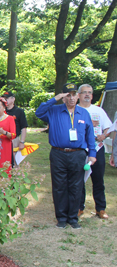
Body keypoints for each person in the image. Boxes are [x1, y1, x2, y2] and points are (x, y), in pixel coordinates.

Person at [35, 83, 96, 230]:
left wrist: (92, 154)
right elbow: (39, 112)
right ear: (63, 97)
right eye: (68, 95)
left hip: (78, 154)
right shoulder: (54, 111)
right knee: (59, 186)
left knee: (76, 186)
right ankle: (61, 218)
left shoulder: (83, 113)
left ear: (78, 96)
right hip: (58, 153)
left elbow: (90, 135)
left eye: (74, 94)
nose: (71, 98)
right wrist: (54, 99)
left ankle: (73, 218)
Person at [77, 84, 112, 219]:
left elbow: (108, 127)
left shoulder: (99, 111)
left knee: (98, 179)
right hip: (81, 149)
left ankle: (101, 209)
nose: (87, 95)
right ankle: (79, 207)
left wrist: (104, 135)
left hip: (97, 148)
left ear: (92, 96)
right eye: (84, 92)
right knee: (79, 179)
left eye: (89, 93)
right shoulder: (76, 110)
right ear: (79, 95)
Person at [0, 91, 27, 165]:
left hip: (11, 140)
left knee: (13, 162)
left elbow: (23, 128)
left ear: (13, 99)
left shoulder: (18, 112)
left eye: (6, 98)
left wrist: (22, 141)